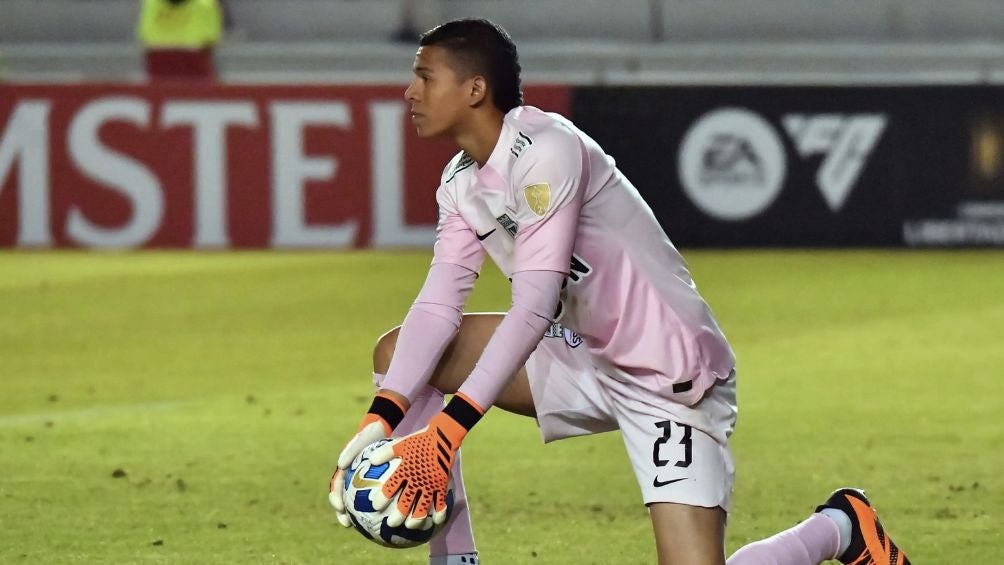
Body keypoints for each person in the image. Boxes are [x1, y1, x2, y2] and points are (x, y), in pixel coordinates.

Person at [329, 18, 911, 565]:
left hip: (665, 372)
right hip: (578, 350)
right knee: (401, 353)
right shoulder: (460, 183)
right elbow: (438, 305)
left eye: (425, 77)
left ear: (475, 88)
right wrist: (378, 424)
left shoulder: (547, 151)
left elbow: (532, 306)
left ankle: (841, 524)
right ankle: (454, 556)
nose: (409, 92)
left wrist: (447, 431)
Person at [137, 0, 223, 80]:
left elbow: (145, 34)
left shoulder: (151, 3)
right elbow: (212, 37)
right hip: (195, 58)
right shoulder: (205, 3)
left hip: (158, 58)